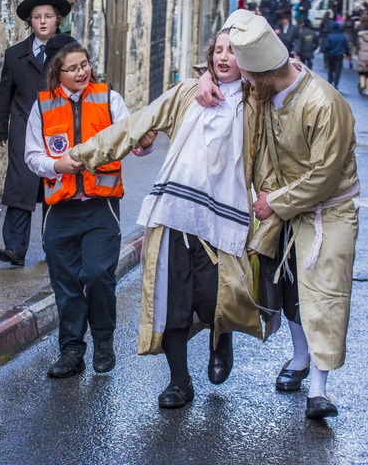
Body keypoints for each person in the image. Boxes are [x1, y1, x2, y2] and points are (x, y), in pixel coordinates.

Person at [57, 28, 283, 408]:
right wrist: (82, 155)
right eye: (219, 51)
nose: (224, 58)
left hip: (223, 222)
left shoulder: (257, 102)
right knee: (171, 300)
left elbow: (269, 151)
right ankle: (180, 382)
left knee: (218, 297)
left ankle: (220, 338)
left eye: (233, 52)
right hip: (174, 214)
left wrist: (272, 195)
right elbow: (137, 124)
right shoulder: (186, 93)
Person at [195, 9, 359, 420]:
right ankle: (300, 360)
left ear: (266, 73)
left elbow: (325, 175)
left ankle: (318, 392)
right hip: (283, 211)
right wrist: (205, 77)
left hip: (328, 212)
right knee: (289, 296)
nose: (246, 83)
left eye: (251, 77)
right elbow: (226, 80)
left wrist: (275, 203)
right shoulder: (267, 89)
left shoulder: (326, 103)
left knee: (321, 296)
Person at [24, 35, 155, 378]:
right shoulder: (42, 107)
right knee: (65, 282)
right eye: (73, 68)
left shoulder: (109, 99)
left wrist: (145, 144)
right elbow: (32, 155)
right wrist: (57, 166)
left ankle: (103, 343)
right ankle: (71, 350)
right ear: (58, 73)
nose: (82, 72)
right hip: (60, 209)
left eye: (84, 65)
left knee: (98, 275)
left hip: (101, 206)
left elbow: (133, 142)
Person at [0, 0, 71, 267]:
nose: (43, 21)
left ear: (58, 19)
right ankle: (14, 247)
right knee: (20, 186)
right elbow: (5, 94)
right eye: (37, 17)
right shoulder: (15, 55)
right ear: (30, 22)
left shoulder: (67, 53)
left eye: (49, 16)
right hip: (24, 130)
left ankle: (54, 245)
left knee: (55, 185)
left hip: (58, 131)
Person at [325, 21, 350, 89]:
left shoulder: (330, 36)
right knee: (338, 70)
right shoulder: (342, 36)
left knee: (330, 69)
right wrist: (347, 53)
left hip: (331, 54)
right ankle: (336, 83)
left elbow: (327, 46)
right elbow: (346, 46)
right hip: (339, 54)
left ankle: (330, 81)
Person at [356, 23, 368, 94]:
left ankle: (362, 84)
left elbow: (358, 47)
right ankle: (367, 91)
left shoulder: (361, 37)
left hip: (362, 56)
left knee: (362, 72)